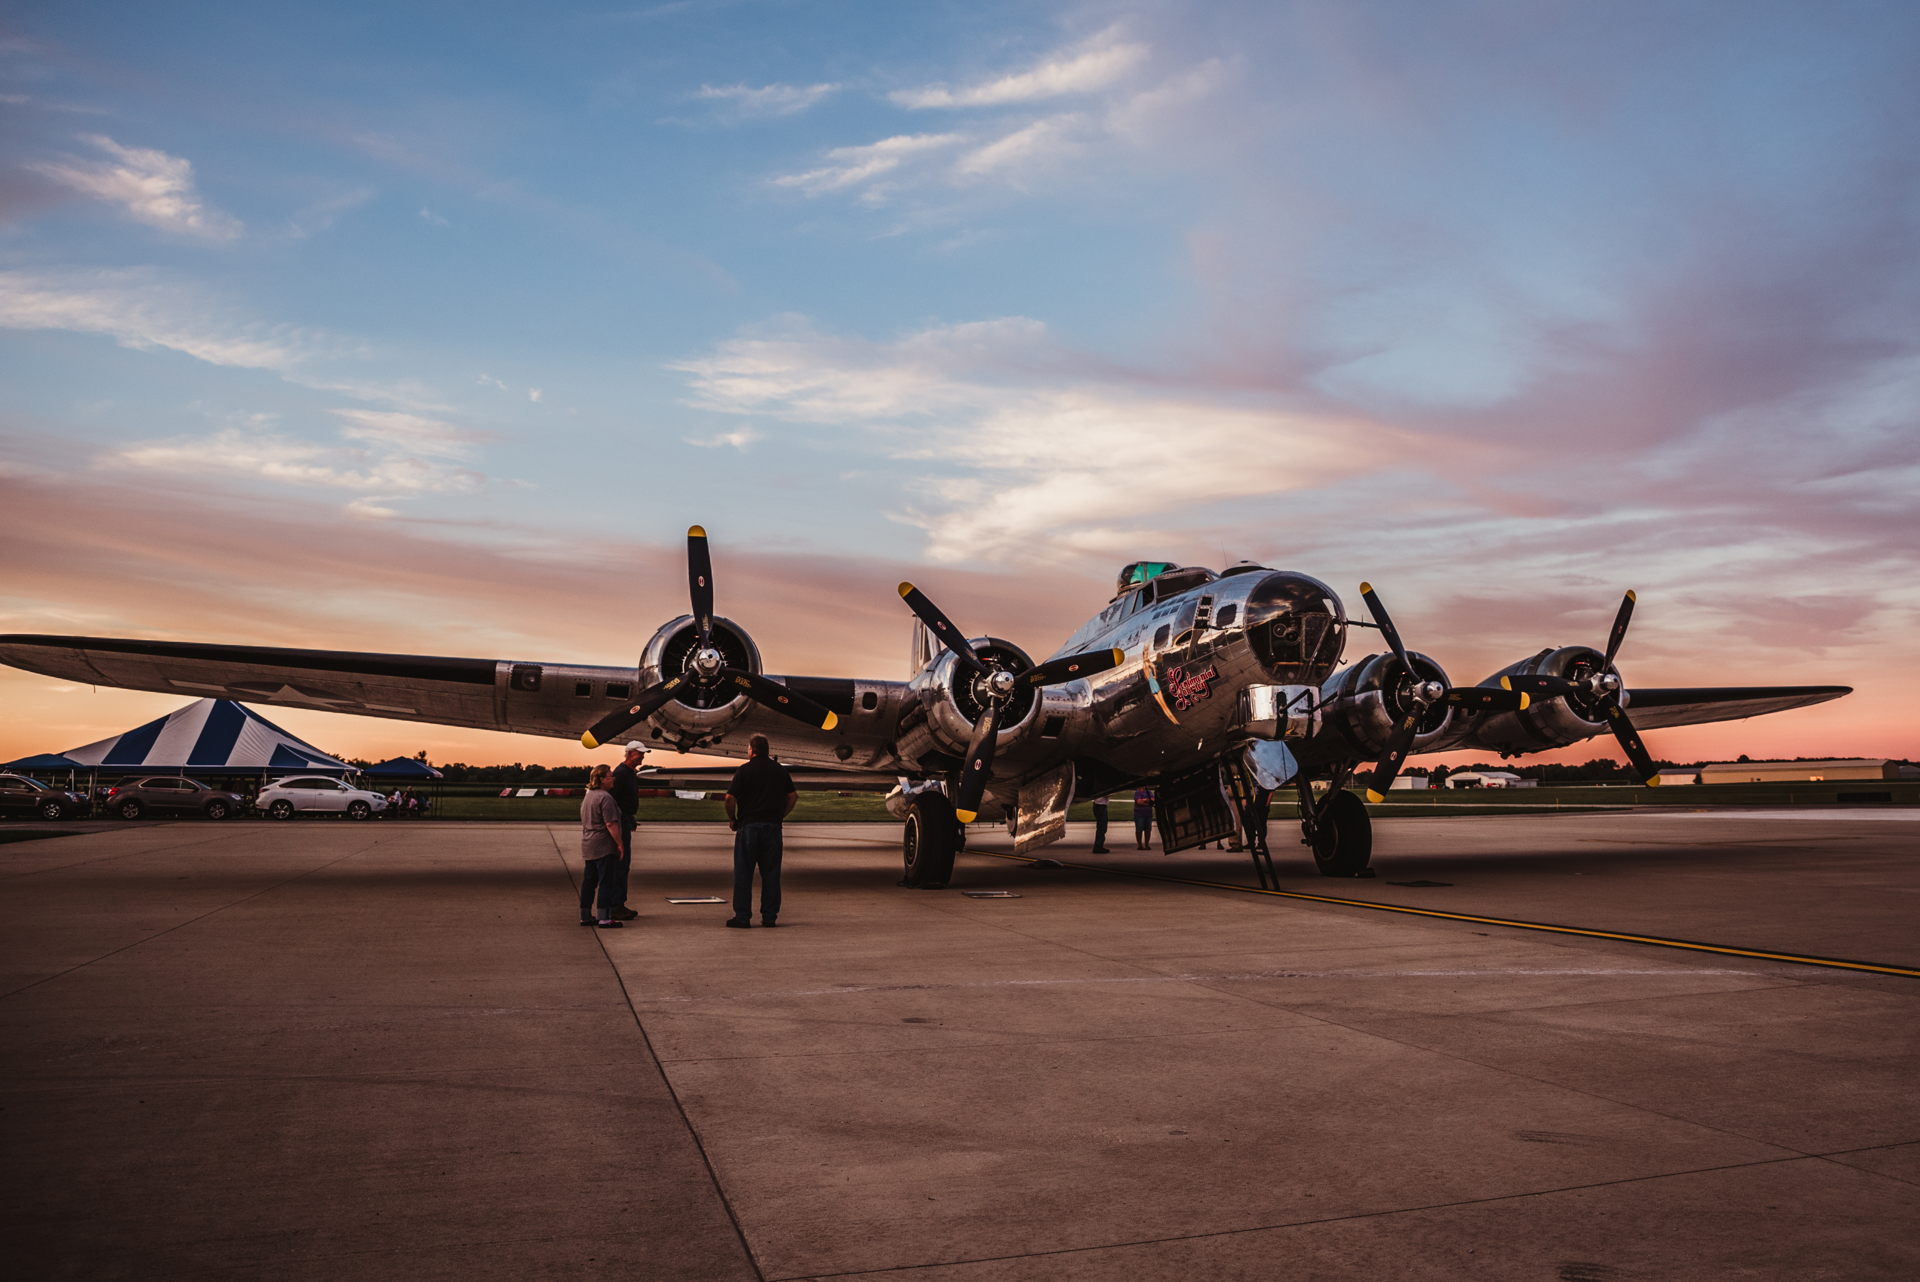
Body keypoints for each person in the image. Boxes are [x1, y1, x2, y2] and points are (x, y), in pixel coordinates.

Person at [723, 734, 796, 928]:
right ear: (767, 750)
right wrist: (780, 816)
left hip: (749, 827)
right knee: (771, 873)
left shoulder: (744, 770)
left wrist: (733, 818)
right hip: (772, 827)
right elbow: (792, 796)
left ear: (751, 750)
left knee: (743, 873)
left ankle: (742, 916)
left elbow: (729, 798)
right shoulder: (779, 770)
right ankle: (770, 916)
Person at [578, 765, 626, 928]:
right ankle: (604, 917)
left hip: (588, 843)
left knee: (589, 881)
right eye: (610, 776)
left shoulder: (589, 795)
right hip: (603, 845)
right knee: (606, 881)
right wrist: (620, 844)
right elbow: (610, 823)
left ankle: (585, 915)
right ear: (601, 779)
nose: (613, 779)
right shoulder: (606, 798)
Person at [607, 743, 646, 921]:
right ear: (630, 754)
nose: (643, 757)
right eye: (640, 754)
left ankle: (618, 903)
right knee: (620, 864)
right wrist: (621, 821)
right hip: (620, 823)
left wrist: (630, 818)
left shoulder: (629, 773)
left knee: (623, 865)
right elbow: (612, 802)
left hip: (625, 820)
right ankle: (616, 905)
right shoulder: (621, 773)